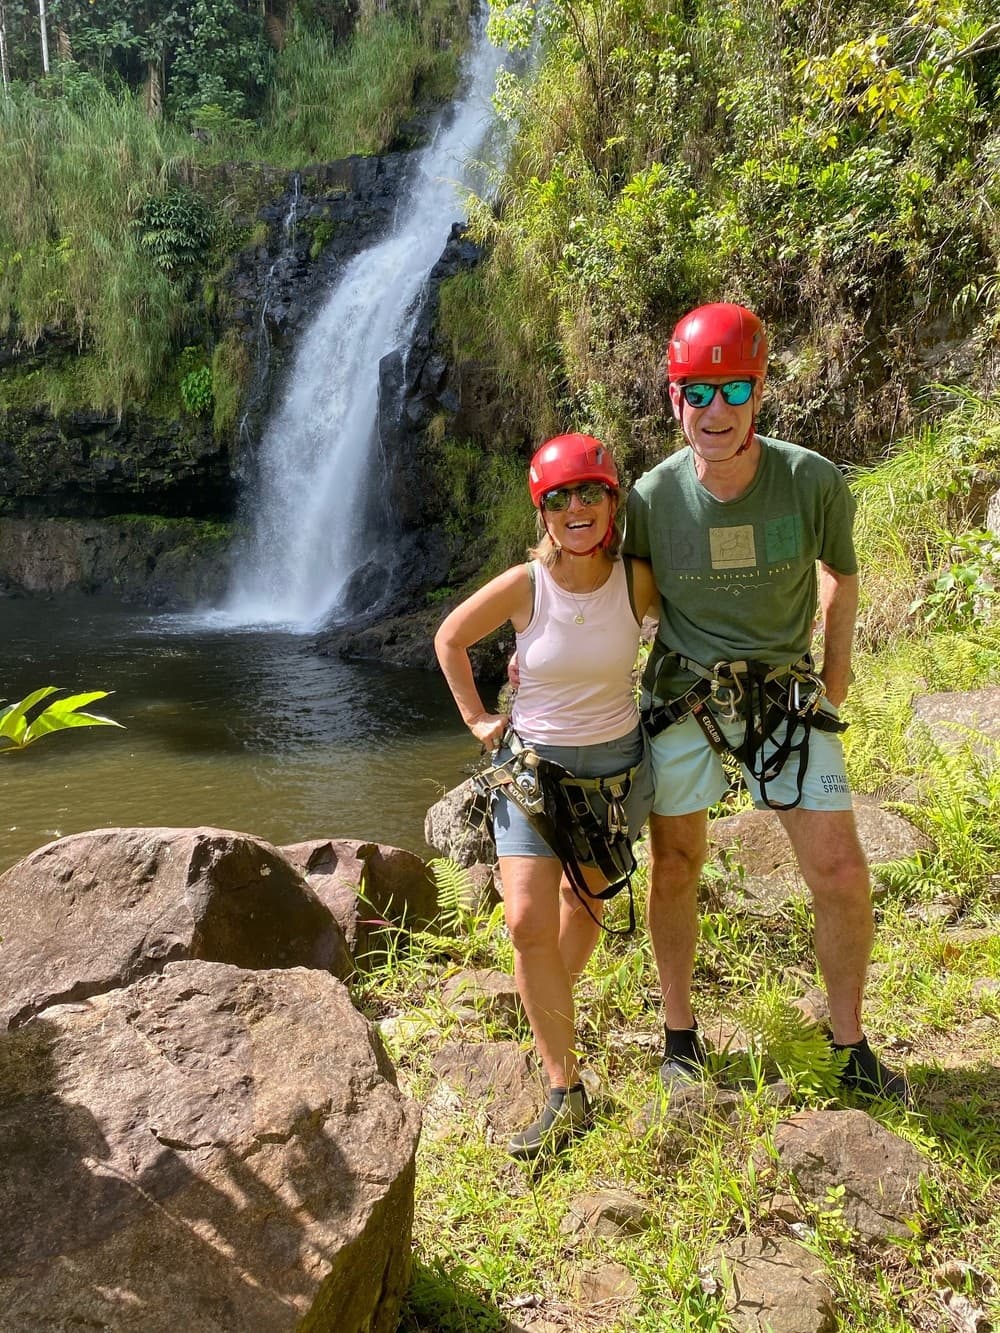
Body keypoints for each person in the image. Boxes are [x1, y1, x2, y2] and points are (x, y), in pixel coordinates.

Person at [623, 301, 910, 1104]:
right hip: (686, 696)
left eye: (734, 391)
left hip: (785, 697)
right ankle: (679, 1034)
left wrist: (838, 675)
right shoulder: (651, 497)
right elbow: (627, 607)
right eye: (697, 393)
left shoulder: (810, 480)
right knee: (677, 864)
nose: (716, 412)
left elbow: (841, 578)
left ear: (760, 390)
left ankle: (848, 1042)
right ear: (673, 399)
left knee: (842, 870)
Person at [435, 433, 658, 1158]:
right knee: (528, 919)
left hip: (615, 773)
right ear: (543, 512)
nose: (575, 508)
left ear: (612, 500)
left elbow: (698, 627)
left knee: (586, 902)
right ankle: (566, 1086)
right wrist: (477, 718)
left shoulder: (638, 580)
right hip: (532, 770)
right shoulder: (526, 584)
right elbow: (449, 637)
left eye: (588, 492)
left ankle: (544, 1009)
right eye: (557, 498)